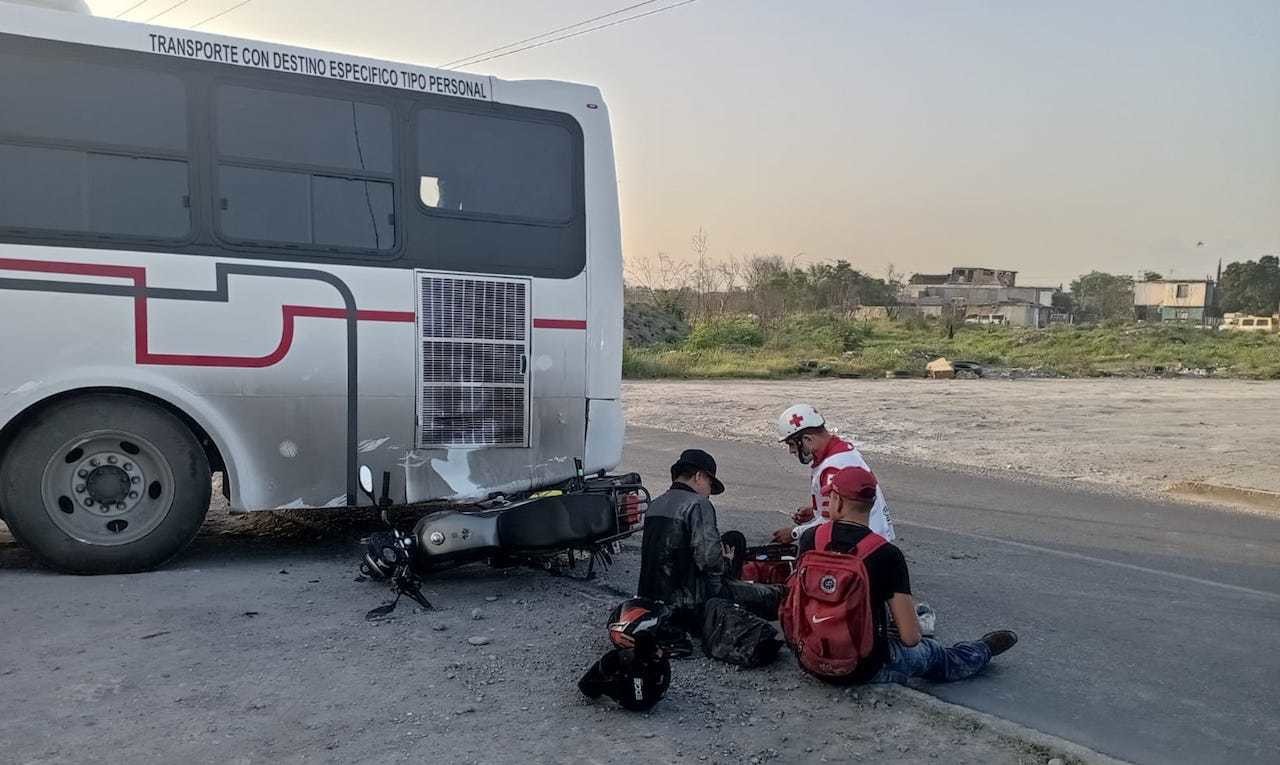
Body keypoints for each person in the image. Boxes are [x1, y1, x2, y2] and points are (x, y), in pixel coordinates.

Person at [796, 466, 1017, 683]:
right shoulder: (886, 554)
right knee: (935, 654)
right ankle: (981, 649)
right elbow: (910, 638)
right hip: (862, 668)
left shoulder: (811, 539)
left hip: (810, 658)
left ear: (838, 501)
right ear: (871, 505)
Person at [637, 448, 782, 627]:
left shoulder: (656, 504)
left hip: (652, 599)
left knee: (733, 539)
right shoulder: (698, 504)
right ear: (699, 476)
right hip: (688, 604)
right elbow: (708, 561)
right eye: (710, 486)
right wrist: (726, 563)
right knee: (775, 596)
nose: (709, 493)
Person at [772, 404, 895, 544]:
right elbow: (850, 502)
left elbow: (832, 522)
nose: (791, 451)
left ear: (807, 440)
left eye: (792, 444)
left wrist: (794, 533)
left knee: (806, 543)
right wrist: (816, 510)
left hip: (860, 543)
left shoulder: (833, 467)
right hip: (873, 534)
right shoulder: (840, 451)